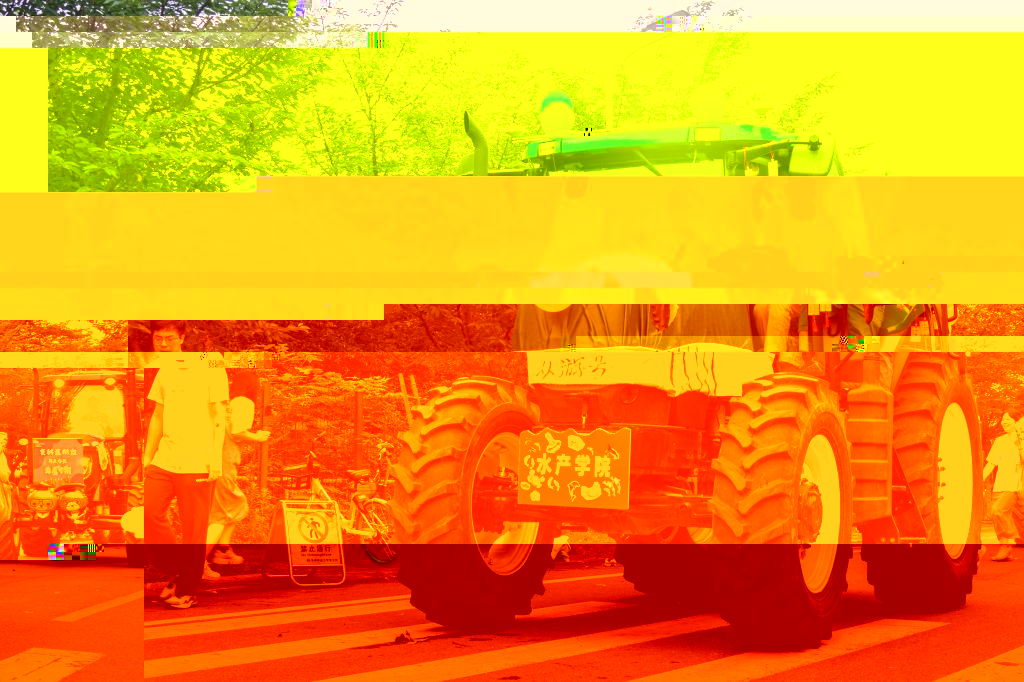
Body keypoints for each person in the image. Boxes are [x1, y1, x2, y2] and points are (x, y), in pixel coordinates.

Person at [142, 321, 229, 609]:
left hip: (198, 461)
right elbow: (158, 415)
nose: (163, 344)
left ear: (181, 338)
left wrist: (215, 458)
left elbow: (219, 415)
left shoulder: (210, 364)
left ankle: (187, 589)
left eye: (169, 338)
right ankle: (180, 570)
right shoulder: (164, 370)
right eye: (158, 338)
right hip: (164, 458)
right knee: (150, 515)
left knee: (194, 531)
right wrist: (147, 455)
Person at [203, 371, 269, 580]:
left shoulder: (224, 403)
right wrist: (258, 437)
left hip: (212, 459)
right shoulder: (244, 402)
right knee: (222, 513)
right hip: (223, 462)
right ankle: (197, 564)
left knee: (234, 505)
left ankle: (221, 550)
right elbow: (238, 432)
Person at [983, 407, 1024, 562]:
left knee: (997, 511)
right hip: (1000, 484)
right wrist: (980, 480)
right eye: (1003, 419)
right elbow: (991, 463)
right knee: (1001, 514)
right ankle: (1008, 546)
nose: (1004, 422)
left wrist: (1019, 442)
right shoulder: (999, 441)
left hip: (1015, 484)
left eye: (1008, 419)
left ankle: (1006, 545)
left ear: (1017, 422)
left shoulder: (1022, 439)